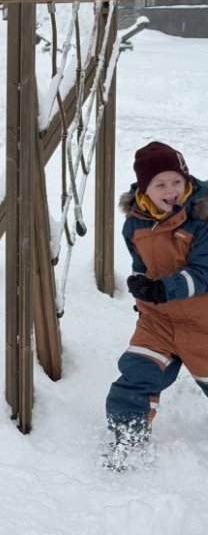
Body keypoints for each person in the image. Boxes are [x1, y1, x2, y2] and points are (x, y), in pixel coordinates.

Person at [105, 141, 208, 469]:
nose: (171, 191)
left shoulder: (202, 218)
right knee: (137, 374)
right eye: (160, 184)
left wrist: (161, 289)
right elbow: (142, 266)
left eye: (177, 181)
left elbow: (203, 272)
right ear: (144, 188)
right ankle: (128, 439)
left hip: (202, 322)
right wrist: (141, 286)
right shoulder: (135, 224)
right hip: (159, 321)